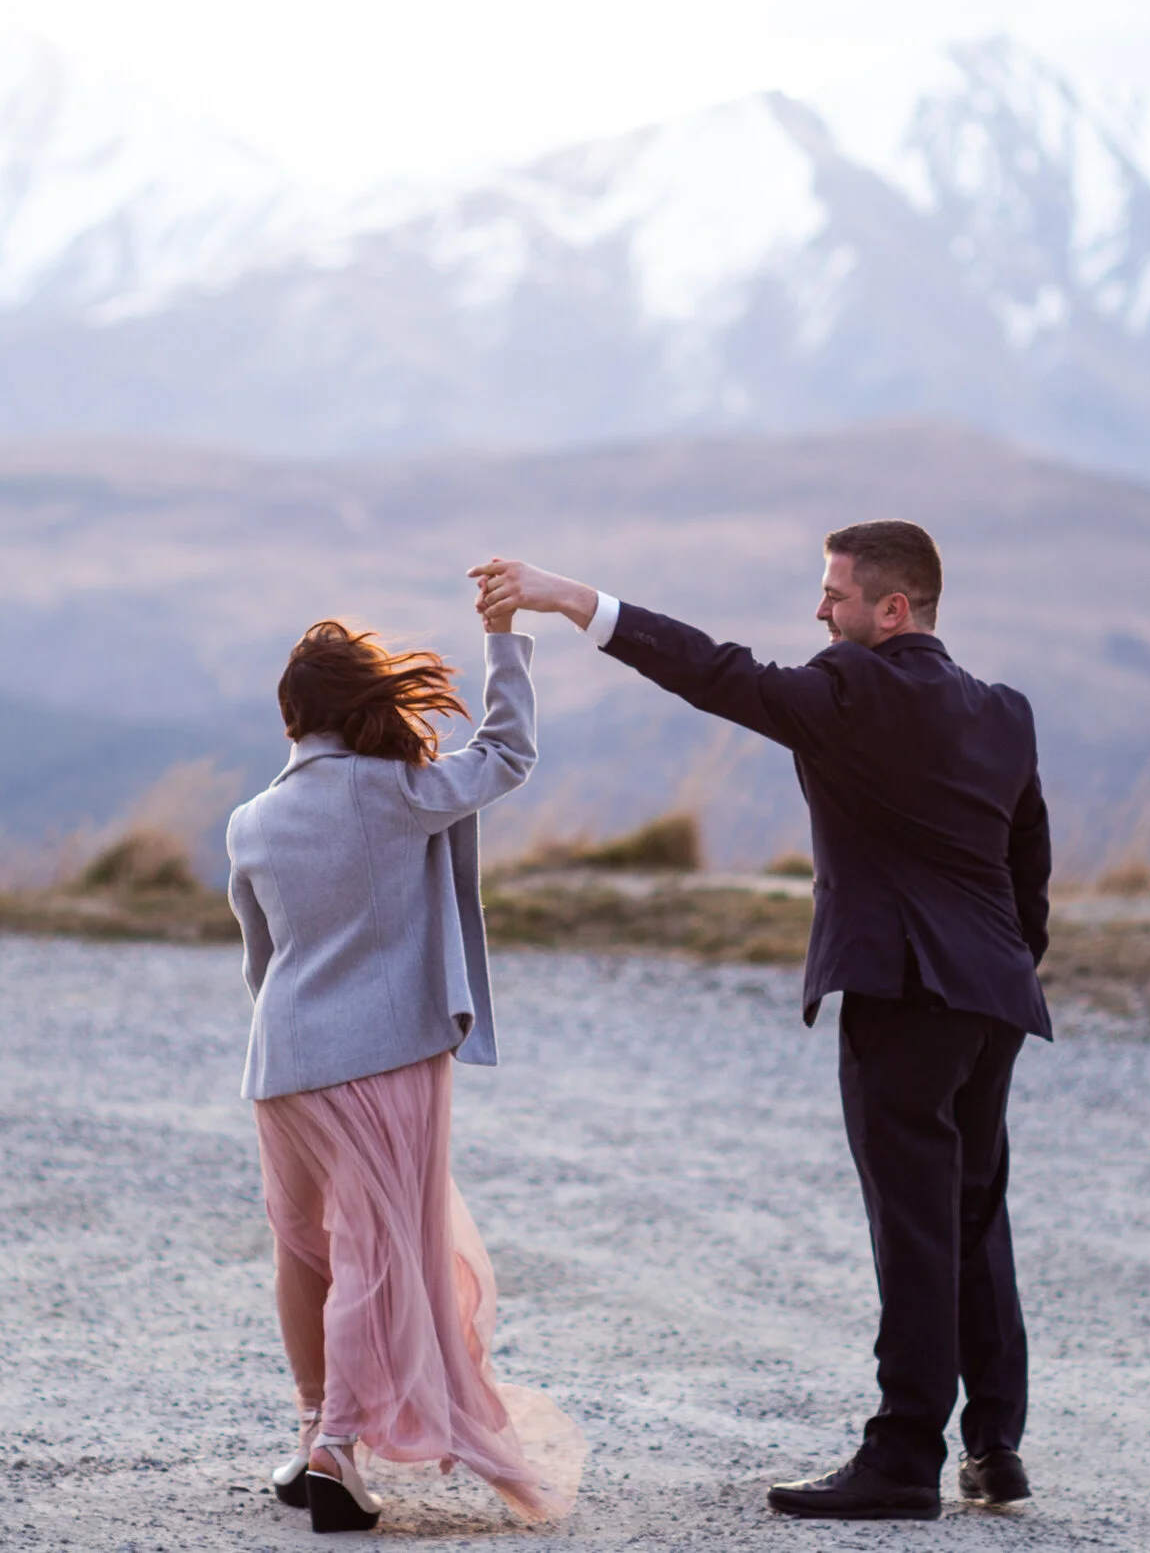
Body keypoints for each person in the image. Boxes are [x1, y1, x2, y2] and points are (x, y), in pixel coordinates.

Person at [471, 520, 1050, 1522]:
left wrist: (574, 600)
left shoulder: (850, 689)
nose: (820, 611)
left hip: (903, 989)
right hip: (991, 995)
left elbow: (714, 671)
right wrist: (1005, 963)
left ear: (892, 609)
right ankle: (994, 1445)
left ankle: (904, 1454)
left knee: (912, 1219)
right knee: (970, 1209)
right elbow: (1026, 863)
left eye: (835, 593)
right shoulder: (1003, 710)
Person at [225, 607, 583, 1534]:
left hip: (281, 1064)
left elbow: (261, 962)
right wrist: (506, 638)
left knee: (304, 1249)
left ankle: (312, 1431)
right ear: (367, 707)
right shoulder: (396, 790)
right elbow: (508, 754)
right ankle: (338, 1449)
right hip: (380, 1060)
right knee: (375, 1252)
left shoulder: (250, 821)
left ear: (293, 715)